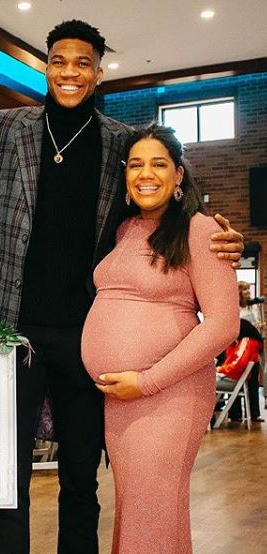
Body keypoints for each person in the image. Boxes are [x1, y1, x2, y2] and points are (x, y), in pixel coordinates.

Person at [0, 20, 244, 554]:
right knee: (6, 472)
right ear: (46, 66)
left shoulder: (119, 141)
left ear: (99, 73)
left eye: (83, 63)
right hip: (9, 326)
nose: (70, 72)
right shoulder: (3, 128)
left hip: (82, 335)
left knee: (81, 474)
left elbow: (159, 197)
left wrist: (220, 235)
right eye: (59, 61)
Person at [82, 124, 239, 553]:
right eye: (135, 165)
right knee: (142, 510)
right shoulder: (124, 230)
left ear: (178, 174)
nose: (145, 174)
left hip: (168, 394)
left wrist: (147, 381)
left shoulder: (200, 230)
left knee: (151, 509)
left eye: (158, 164)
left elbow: (224, 324)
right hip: (122, 398)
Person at [222, 317, 265, 422]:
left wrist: (221, 369)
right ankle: (253, 414)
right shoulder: (250, 341)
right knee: (252, 388)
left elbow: (236, 362)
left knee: (245, 386)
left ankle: (235, 415)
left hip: (240, 367)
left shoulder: (247, 342)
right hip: (247, 365)